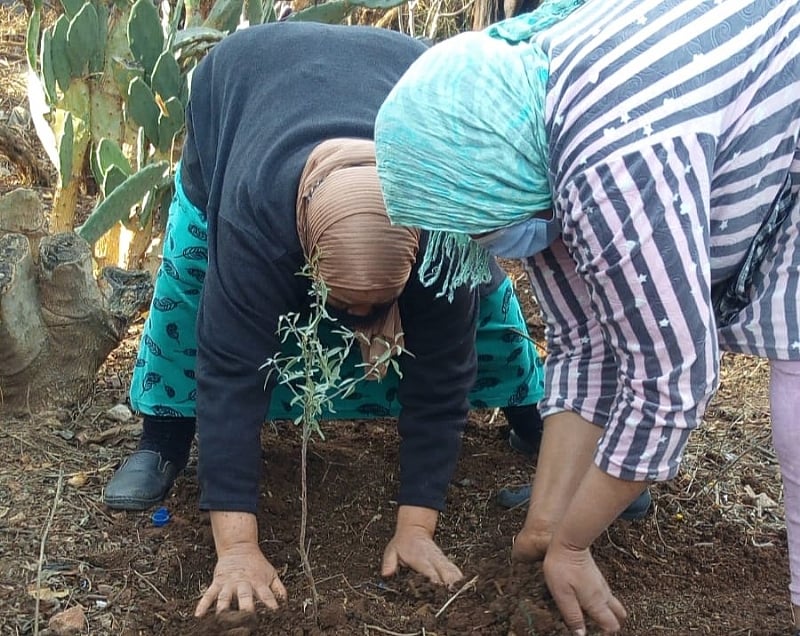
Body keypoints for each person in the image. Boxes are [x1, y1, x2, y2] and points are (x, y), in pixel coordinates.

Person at [372, 0, 800, 633]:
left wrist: (573, 547)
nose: (488, 244)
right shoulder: (527, 140)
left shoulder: (609, 161)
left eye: (481, 225)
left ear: (494, 177)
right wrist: (545, 525)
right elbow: (583, 347)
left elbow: (673, 379)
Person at [102, 21, 550, 617]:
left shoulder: (444, 224)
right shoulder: (252, 218)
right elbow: (230, 372)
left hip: (400, 75)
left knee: (486, 302)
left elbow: (442, 377)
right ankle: (164, 434)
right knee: (188, 284)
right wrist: (236, 548)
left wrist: (416, 527)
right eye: (341, 306)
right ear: (305, 258)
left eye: (376, 308)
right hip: (244, 84)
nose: (355, 326)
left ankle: (531, 417)